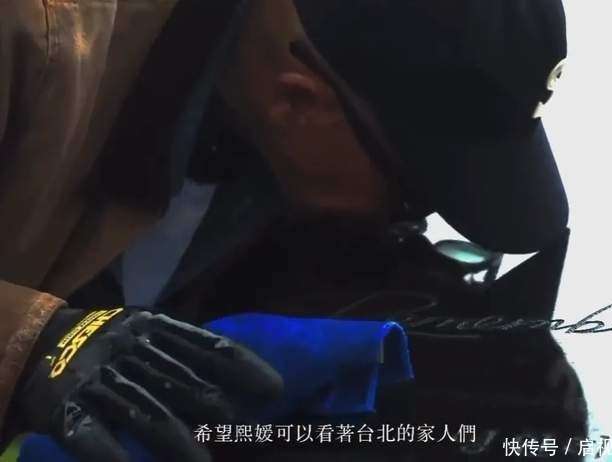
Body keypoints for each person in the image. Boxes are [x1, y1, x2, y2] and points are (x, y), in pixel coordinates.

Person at [0, 0, 574, 460]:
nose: (410, 224)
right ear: (299, 99)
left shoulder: (265, 160)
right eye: (413, 194)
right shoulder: (33, 33)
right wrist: (33, 342)